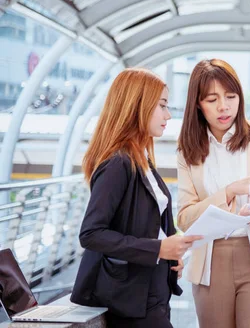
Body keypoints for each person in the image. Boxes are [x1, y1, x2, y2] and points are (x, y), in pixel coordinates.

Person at [70, 68, 203, 328]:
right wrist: (158, 249)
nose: (168, 114)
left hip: (152, 288)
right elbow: (91, 233)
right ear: (137, 106)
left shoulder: (141, 160)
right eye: (162, 105)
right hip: (130, 296)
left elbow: (149, 220)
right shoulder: (118, 163)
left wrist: (170, 250)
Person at [177, 59, 250, 328]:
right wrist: (229, 192)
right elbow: (185, 219)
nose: (224, 106)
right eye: (212, 99)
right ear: (198, 103)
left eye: (231, 96)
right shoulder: (188, 150)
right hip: (211, 262)